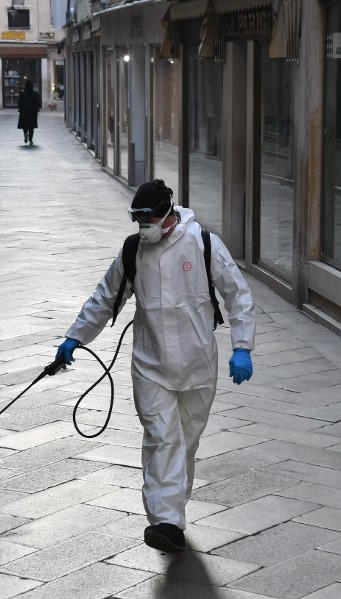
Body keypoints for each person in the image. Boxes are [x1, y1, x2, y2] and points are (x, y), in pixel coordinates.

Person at [55, 179, 256, 553]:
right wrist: (75, 337)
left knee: (186, 443)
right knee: (163, 439)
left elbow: (238, 294)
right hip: (150, 366)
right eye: (138, 220)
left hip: (198, 366)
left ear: (167, 213)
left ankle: (173, 512)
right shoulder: (134, 251)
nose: (143, 227)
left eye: (148, 219)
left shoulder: (204, 245)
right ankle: (166, 522)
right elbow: (104, 297)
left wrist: (241, 346)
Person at [17, 79, 40, 145]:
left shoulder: (22, 93)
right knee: (31, 126)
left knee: (25, 124)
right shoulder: (35, 94)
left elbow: (19, 103)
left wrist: (20, 109)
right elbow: (38, 103)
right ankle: (30, 140)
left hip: (24, 112)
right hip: (32, 112)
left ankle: (25, 134)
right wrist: (36, 109)